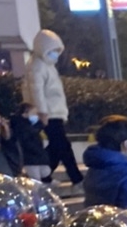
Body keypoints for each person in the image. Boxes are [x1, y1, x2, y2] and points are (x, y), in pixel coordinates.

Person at [22, 29, 83, 185]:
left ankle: (45, 175)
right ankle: (76, 178)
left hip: (53, 112)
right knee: (62, 145)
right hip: (49, 113)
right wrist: (42, 112)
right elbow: (37, 90)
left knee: (57, 146)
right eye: (53, 50)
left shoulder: (46, 65)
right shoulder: (38, 65)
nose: (56, 54)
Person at [11, 103, 50, 182]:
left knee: (43, 173)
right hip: (30, 160)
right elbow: (27, 141)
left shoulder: (36, 127)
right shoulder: (22, 127)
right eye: (33, 113)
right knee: (36, 180)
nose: (36, 116)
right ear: (24, 114)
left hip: (37, 158)